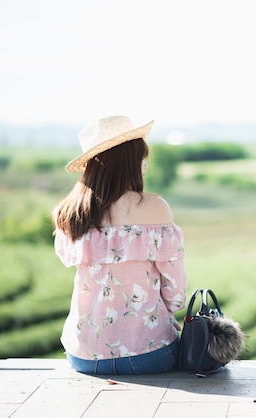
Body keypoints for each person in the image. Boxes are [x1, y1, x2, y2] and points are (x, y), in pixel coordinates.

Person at [52, 115, 187, 374]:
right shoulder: (155, 208)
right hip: (150, 352)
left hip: (84, 355)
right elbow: (176, 291)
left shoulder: (70, 213)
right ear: (131, 162)